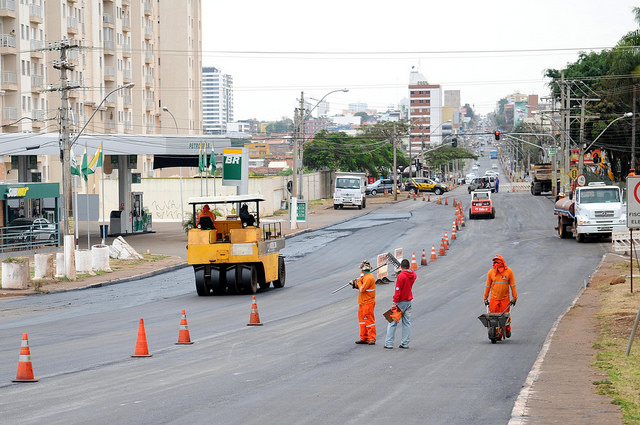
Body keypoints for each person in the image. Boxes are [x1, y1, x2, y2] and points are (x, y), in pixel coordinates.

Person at [384, 258, 416, 349]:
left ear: (401, 266)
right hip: (408, 302)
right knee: (407, 323)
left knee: (392, 323)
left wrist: (394, 302)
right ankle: (405, 343)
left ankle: (389, 343)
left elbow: (397, 290)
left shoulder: (401, 276)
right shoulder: (413, 275)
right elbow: (412, 272)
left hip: (400, 302)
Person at [483, 254, 518, 338]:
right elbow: (488, 286)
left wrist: (514, 298)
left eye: (497, 262)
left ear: (502, 262)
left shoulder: (509, 272)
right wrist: (485, 298)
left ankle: (507, 330)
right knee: (494, 318)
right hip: (494, 299)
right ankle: (497, 334)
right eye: (494, 262)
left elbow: (513, 286)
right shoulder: (491, 272)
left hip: (505, 299)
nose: (496, 264)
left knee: (505, 317)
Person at [350, 260, 376, 345]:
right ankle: (364, 338)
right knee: (362, 321)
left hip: (368, 303)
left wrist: (359, 282)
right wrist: (354, 285)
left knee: (369, 321)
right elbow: (361, 288)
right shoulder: (365, 277)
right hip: (362, 302)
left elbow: (362, 289)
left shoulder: (369, 278)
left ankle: (372, 338)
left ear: (363, 270)